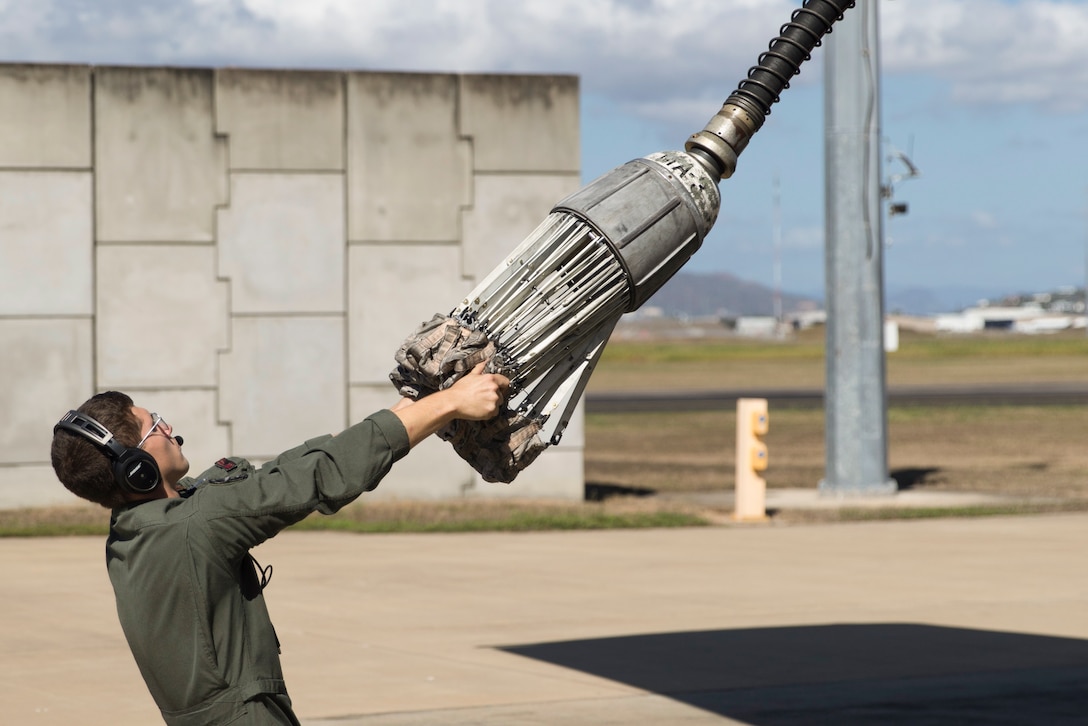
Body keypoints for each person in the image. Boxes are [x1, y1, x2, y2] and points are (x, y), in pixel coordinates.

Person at [50, 362, 509, 726]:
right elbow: (319, 476)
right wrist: (450, 404)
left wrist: (422, 402)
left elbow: (275, 475)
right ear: (136, 469)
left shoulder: (135, 532)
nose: (169, 429)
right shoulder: (191, 528)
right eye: (155, 427)